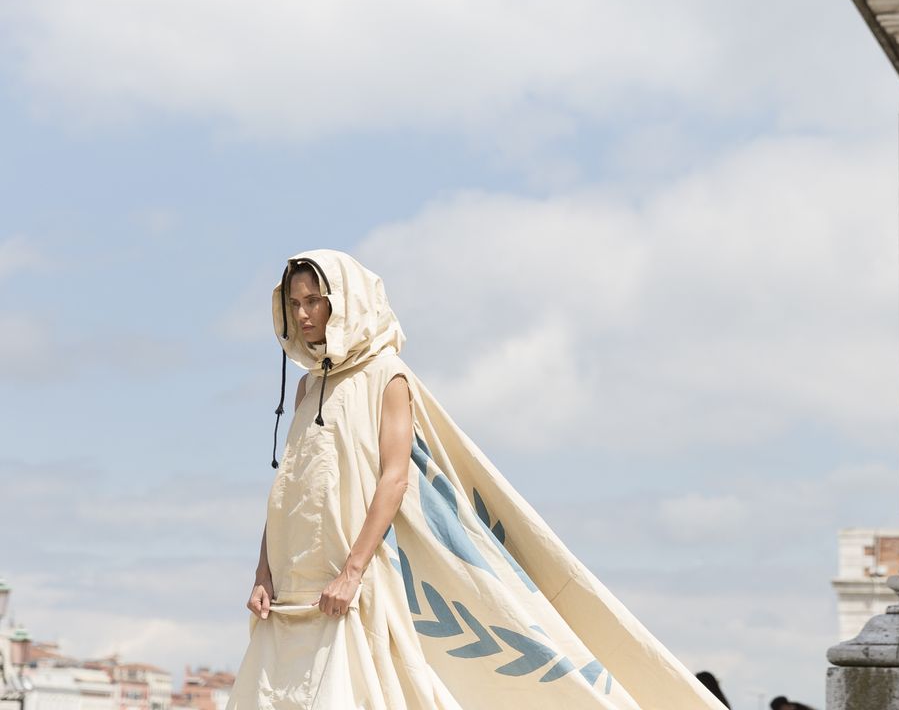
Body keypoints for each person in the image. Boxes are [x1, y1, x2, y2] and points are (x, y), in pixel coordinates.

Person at [227, 250, 727, 709]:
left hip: (348, 577)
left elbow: (394, 480)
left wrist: (352, 571)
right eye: (295, 304)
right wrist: (262, 574)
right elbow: (289, 489)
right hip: (290, 588)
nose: (304, 314)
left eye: (315, 300)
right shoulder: (306, 387)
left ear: (345, 302)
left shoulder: (387, 375)